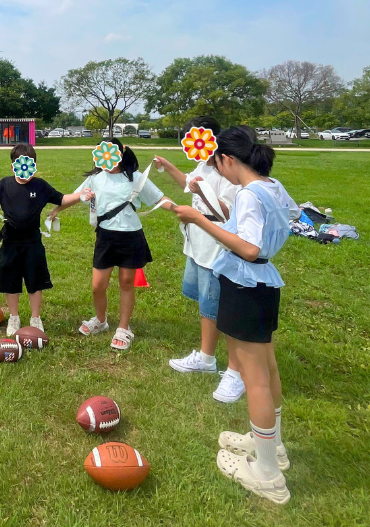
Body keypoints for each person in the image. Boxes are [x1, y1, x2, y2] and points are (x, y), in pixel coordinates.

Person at [173, 126, 300, 505]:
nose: (219, 172)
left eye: (218, 165)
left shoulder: (247, 193)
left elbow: (248, 247)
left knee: (255, 378)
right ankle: (272, 446)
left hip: (245, 285)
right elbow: (284, 218)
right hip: (264, 285)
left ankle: (266, 475)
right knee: (268, 368)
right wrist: (216, 214)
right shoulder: (272, 186)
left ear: (228, 159)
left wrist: (200, 221)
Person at [49, 138, 173, 349]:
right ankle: (101, 320)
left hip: (131, 236)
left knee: (126, 283)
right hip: (105, 236)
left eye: (112, 153)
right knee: (98, 286)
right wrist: (57, 210)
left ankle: (124, 328)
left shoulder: (135, 178)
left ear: (121, 153)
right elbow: (77, 196)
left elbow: (159, 198)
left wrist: (182, 211)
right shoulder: (96, 178)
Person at [154, 117, 245, 403]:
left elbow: (227, 213)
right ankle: (206, 357)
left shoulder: (228, 172)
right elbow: (189, 184)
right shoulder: (204, 165)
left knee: (221, 307)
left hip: (217, 246)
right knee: (207, 305)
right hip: (198, 244)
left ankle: (236, 370)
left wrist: (202, 193)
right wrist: (169, 167)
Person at [0, 144, 91, 336]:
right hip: (10, 242)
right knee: (10, 282)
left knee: (35, 281)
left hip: (33, 243)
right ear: (14, 165)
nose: (26, 172)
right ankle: (14, 317)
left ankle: (35, 318)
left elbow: (61, 199)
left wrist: (81, 195)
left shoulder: (40, 186)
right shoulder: (4, 184)